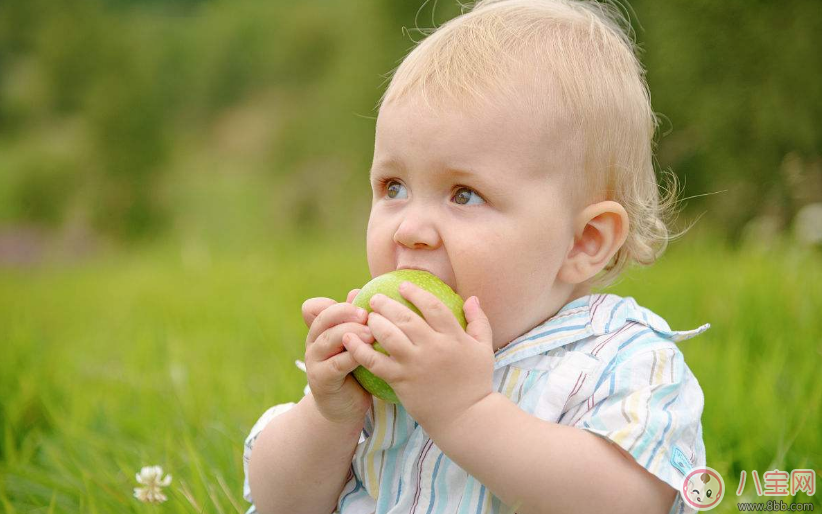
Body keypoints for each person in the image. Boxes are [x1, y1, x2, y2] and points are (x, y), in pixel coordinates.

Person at [243, 0, 710, 512]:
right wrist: (328, 415)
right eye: (393, 186)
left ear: (584, 242)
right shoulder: (383, 361)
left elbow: (629, 502)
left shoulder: (621, 363)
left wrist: (465, 412)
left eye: (463, 194)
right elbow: (277, 503)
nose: (411, 228)